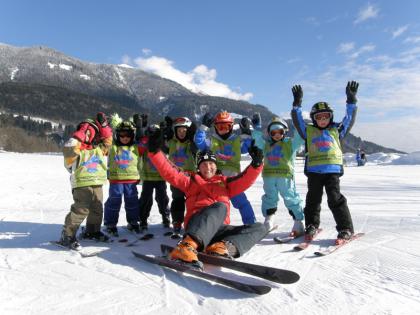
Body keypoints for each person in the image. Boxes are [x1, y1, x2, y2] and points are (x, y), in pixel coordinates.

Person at [145, 125, 267, 264]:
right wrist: (155, 151)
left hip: (218, 230)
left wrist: (256, 165)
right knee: (220, 207)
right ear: (198, 167)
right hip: (196, 225)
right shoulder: (191, 180)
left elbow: (244, 179)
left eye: (211, 164)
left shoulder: (225, 183)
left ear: (216, 165)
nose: (208, 167)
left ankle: (221, 248)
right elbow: (169, 170)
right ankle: (187, 246)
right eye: (203, 164)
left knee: (260, 227)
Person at [290, 81, 359, 244]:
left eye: (325, 116)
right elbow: (297, 120)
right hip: (314, 171)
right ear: (314, 118)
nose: (322, 120)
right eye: (318, 117)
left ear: (330, 117)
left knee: (335, 199)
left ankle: (345, 228)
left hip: (332, 171)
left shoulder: (337, 130)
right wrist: (297, 104)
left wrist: (351, 101)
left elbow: (349, 119)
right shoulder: (308, 130)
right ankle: (311, 225)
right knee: (312, 199)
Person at [58, 112, 113, 249]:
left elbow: (108, 141)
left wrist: (104, 126)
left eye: (92, 132)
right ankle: (68, 234)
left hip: (97, 183)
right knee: (81, 209)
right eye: (86, 132)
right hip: (81, 184)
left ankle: (92, 231)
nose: (89, 134)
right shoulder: (76, 149)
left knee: (97, 208)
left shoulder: (99, 149)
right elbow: (68, 152)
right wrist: (80, 136)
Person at [194, 110, 256, 225]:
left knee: (242, 202)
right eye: (220, 126)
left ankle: (250, 224)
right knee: (215, 205)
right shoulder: (212, 141)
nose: (223, 129)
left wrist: (246, 133)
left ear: (231, 127)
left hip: (233, 179)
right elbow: (199, 142)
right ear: (215, 127)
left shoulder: (236, 141)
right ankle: (214, 226)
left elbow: (247, 147)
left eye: (226, 127)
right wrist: (203, 127)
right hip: (217, 181)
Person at [252, 115, 305, 235]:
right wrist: (256, 129)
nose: (277, 135)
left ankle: (298, 221)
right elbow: (257, 141)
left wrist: (298, 123)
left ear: (284, 131)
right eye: (273, 132)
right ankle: (269, 218)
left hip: (285, 177)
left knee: (290, 197)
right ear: (270, 133)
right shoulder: (266, 145)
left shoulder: (290, 144)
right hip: (269, 177)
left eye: (280, 132)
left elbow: (300, 137)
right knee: (270, 197)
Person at [103, 117, 141, 236]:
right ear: (117, 135)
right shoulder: (113, 147)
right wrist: (105, 126)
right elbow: (107, 138)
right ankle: (110, 224)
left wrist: (139, 128)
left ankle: (133, 222)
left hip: (131, 180)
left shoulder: (136, 147)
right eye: (122, 135)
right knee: (114, 202)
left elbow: (144, 140)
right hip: (116, 180)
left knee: (132, 202)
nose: (125, 138)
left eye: (128, 135)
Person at [164, 116, 198, 234]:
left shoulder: (191, 143)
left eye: (184, 131)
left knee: (192, 201)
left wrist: (194, 138)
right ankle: (177, 221)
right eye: (179, 131)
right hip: (176, 176)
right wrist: (166, 130)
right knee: (177, 199)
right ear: (175, 131)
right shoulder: (171, 142)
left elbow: (198, 148)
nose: (182, 133)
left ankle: (191, 222)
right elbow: (162, 145)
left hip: (190, 177)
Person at [137, 119, 171, 231]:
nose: (152, 135)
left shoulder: (162, 144)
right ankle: (143, 219)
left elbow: (169, 149)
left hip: (161, 177)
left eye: (155, 133)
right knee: (146, 199)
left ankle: (165, 217)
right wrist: (140, 130)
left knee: (162, 199)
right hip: (147, 177)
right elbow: (139, 147)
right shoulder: (145, 144)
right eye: (150, 132)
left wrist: (165, 132)